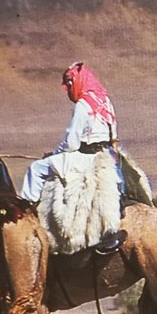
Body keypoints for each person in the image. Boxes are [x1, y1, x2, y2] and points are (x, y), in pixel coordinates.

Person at [21, 61, 126, 253]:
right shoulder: (105, 101)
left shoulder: (83, 105)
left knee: (36, 168)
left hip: (85, 157)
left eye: (71, 84)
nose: (69, 88)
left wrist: (54, 154)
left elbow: (71, 143)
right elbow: (114, 134)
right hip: (106, 155)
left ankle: (26, 213)